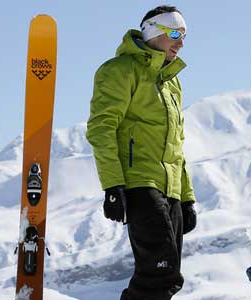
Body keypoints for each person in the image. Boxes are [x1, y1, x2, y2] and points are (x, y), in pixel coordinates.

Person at [86, 5, 197, 300]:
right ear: (152, 31)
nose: (180, 43)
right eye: (174, 33)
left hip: (169, 187)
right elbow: (102, 128)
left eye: (184, 35)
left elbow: (177, 144)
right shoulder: (119, 71)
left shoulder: (172, 82)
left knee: (167, 276)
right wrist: (112, 185)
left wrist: (186, 197)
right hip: (139, 182)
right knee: (161, 270)